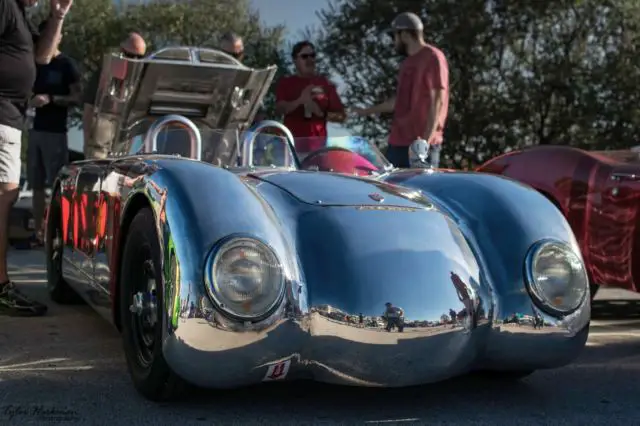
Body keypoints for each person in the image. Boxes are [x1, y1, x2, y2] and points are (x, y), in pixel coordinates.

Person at [0, 0, 74, 316]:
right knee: (4, 196)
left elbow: (41, 56)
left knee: (6, 195)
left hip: (13, 118)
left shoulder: (19, 12)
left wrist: (57, 16)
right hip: (2, 114)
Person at [353, 12, 450, 168]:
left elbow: (437, 101)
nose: (394, 42)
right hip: (398, 143)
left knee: (420, 190)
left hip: (421, 144)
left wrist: (425, 142)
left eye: (394, 36)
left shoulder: (433, 57)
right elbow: (398, 102)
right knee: (391, 190)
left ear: (405, 34)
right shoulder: (406, 64)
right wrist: (366, 111)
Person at [28, 18, 81, 244]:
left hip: (56, 132)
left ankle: (57, 231)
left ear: (59, 36)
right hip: (33, 130)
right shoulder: (35, 63)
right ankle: (38, 232)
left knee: (57, 184)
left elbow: (77, 97)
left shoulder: (66, 65)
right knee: (36, 185)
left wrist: (52, 99)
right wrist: (32, 100)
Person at [275, 41, 346, 156]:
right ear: (295, 60)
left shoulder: (325, 84)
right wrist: (300, 101)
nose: (310, 60)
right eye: (304, 56)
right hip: (291, 149)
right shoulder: (286, 83)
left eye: (312, 56)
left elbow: (341, 116)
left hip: (319, 150)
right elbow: (279, 109)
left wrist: (320, 113)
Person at [82, 32, 146, 159]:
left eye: (139, 57)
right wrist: (87, 141)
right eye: (130, 55)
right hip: (99, 145)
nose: (134, 60)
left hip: (123, 147)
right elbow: (88, 109)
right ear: (121, 51)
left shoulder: (140, 79)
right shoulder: (103, 75)